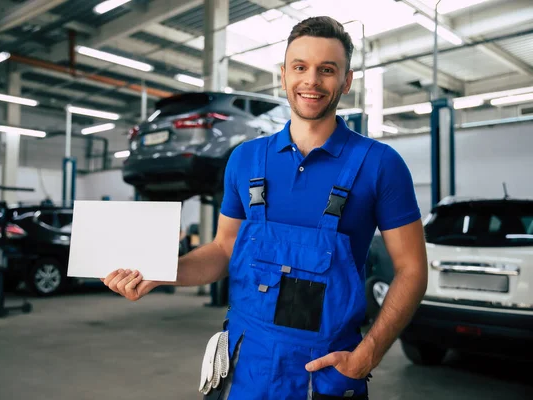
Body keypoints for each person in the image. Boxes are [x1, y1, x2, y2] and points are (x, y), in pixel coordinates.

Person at [101, 16, 428, 400]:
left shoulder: (379, 164)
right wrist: (160, 272)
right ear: (283, 74)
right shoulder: (245, 160)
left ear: (346, 81)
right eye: (300, 67)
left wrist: (366, 356)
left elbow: (412, 269)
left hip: (325, 371)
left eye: (327, 70)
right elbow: (224, 250)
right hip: (244, 368)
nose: (311, 81)